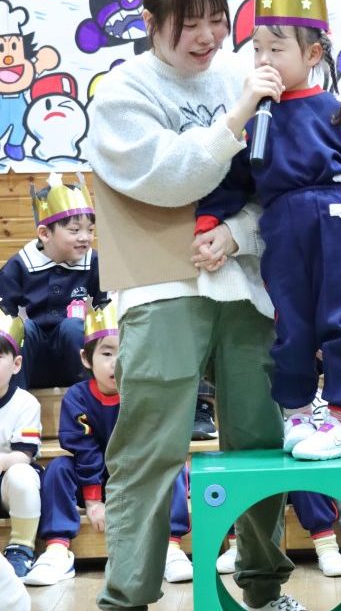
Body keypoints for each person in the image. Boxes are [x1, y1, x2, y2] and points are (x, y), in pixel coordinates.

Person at [86, 0, 301, 611]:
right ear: (151, 22)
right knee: (150, 447)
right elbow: (172, 176)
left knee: (259, 439)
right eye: (189, 24)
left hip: (244, 282)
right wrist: (236, 117)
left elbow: (285, 182)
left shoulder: (243, 72)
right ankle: (128, 596)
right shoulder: (123, 92)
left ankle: (264, 589)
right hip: (161, 287)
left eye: (216, 20)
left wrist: (238, 233)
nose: (207, 37)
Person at [195, 0, 341, 461]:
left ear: (312, 54)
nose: (264, 59)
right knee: (290, 324)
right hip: (282, 227)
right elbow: (235, 179)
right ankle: (300, 413)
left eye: (277, 49)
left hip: (338, 218)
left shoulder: (336, 113)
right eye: (257, 49)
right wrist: (210, 220)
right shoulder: (254, 117)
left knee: (340, 320)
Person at [25, 302, 193, 587]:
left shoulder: (145, 393)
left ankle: (170, 547)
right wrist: (93, 501)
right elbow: (84, 449)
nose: (117, 362)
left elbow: (150, 444)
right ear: (86, 358)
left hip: (137, 476)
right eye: (107, 353)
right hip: (92, 478)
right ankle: (57, 549)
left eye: (125, 351)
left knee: (171, 464)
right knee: (58, 469)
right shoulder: (78, 397)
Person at [0, 174, 109, 389]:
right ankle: (14, 398)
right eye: (75, 230)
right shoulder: (20, 265)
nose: (85, 237)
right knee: (25, 329)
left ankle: (91, 396)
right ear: (45, 233)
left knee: (73, 327)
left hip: (77, 361)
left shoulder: (94, 263)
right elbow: (4, 314)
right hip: (31, 365)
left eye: (90, 230)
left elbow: (107, 308)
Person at [0, 314, 42, 579]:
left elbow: (24, 455)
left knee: (22, 475)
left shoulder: (25, 403)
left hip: (6, 486)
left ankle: (21, 547)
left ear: (16, 364)